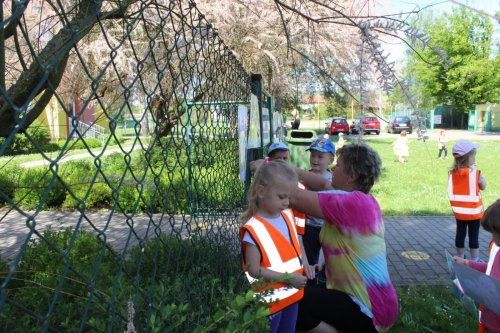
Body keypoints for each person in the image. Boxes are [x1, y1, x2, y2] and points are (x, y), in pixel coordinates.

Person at [289, 143, 398, 332]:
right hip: (374, 304)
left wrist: (268, 169)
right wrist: (286, 168)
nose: (332, 169)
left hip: (370, 310)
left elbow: (293, 197)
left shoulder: (351, 203)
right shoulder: (363, 200)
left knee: (291, 300)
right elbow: (322, 184)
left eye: (337, 165)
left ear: (352, 176)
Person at [240, 159, 314, 333]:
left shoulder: (286, 215)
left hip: (292, 294)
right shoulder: (254, 228)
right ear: (261, 191)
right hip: (270, 301)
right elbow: (253, 270)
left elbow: (296, 243)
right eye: (282, 197)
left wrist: (306, 263)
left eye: (289, 197)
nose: (287, 203)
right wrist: (289, 278)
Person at [453, 199, 500, 333]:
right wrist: (467, 263)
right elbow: (491, 268)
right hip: (488, 321)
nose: (494, 237)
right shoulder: (498, 249)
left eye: (498, 233)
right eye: (492, 232)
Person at [303, 138, 335, 286]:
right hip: (309, 226)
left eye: (320, 156)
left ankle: (325, 281)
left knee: (329, 259)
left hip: (327, 227)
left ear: (331, 159)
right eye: (313, 155)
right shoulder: (304, 176)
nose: (315, 159)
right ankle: (310, 283)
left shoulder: (334, 180)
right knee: (310, 259)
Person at [449, 141, 487, 262]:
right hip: (474, 212)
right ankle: (475, 259)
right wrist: (480, 176)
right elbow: (483, 186)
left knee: (460, 234)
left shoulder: (453, 173)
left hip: (459, 211)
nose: (474, 158)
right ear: (468, 157)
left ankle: (460, 257)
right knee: (473, 236)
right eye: (473, 155)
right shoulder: (475, 173)